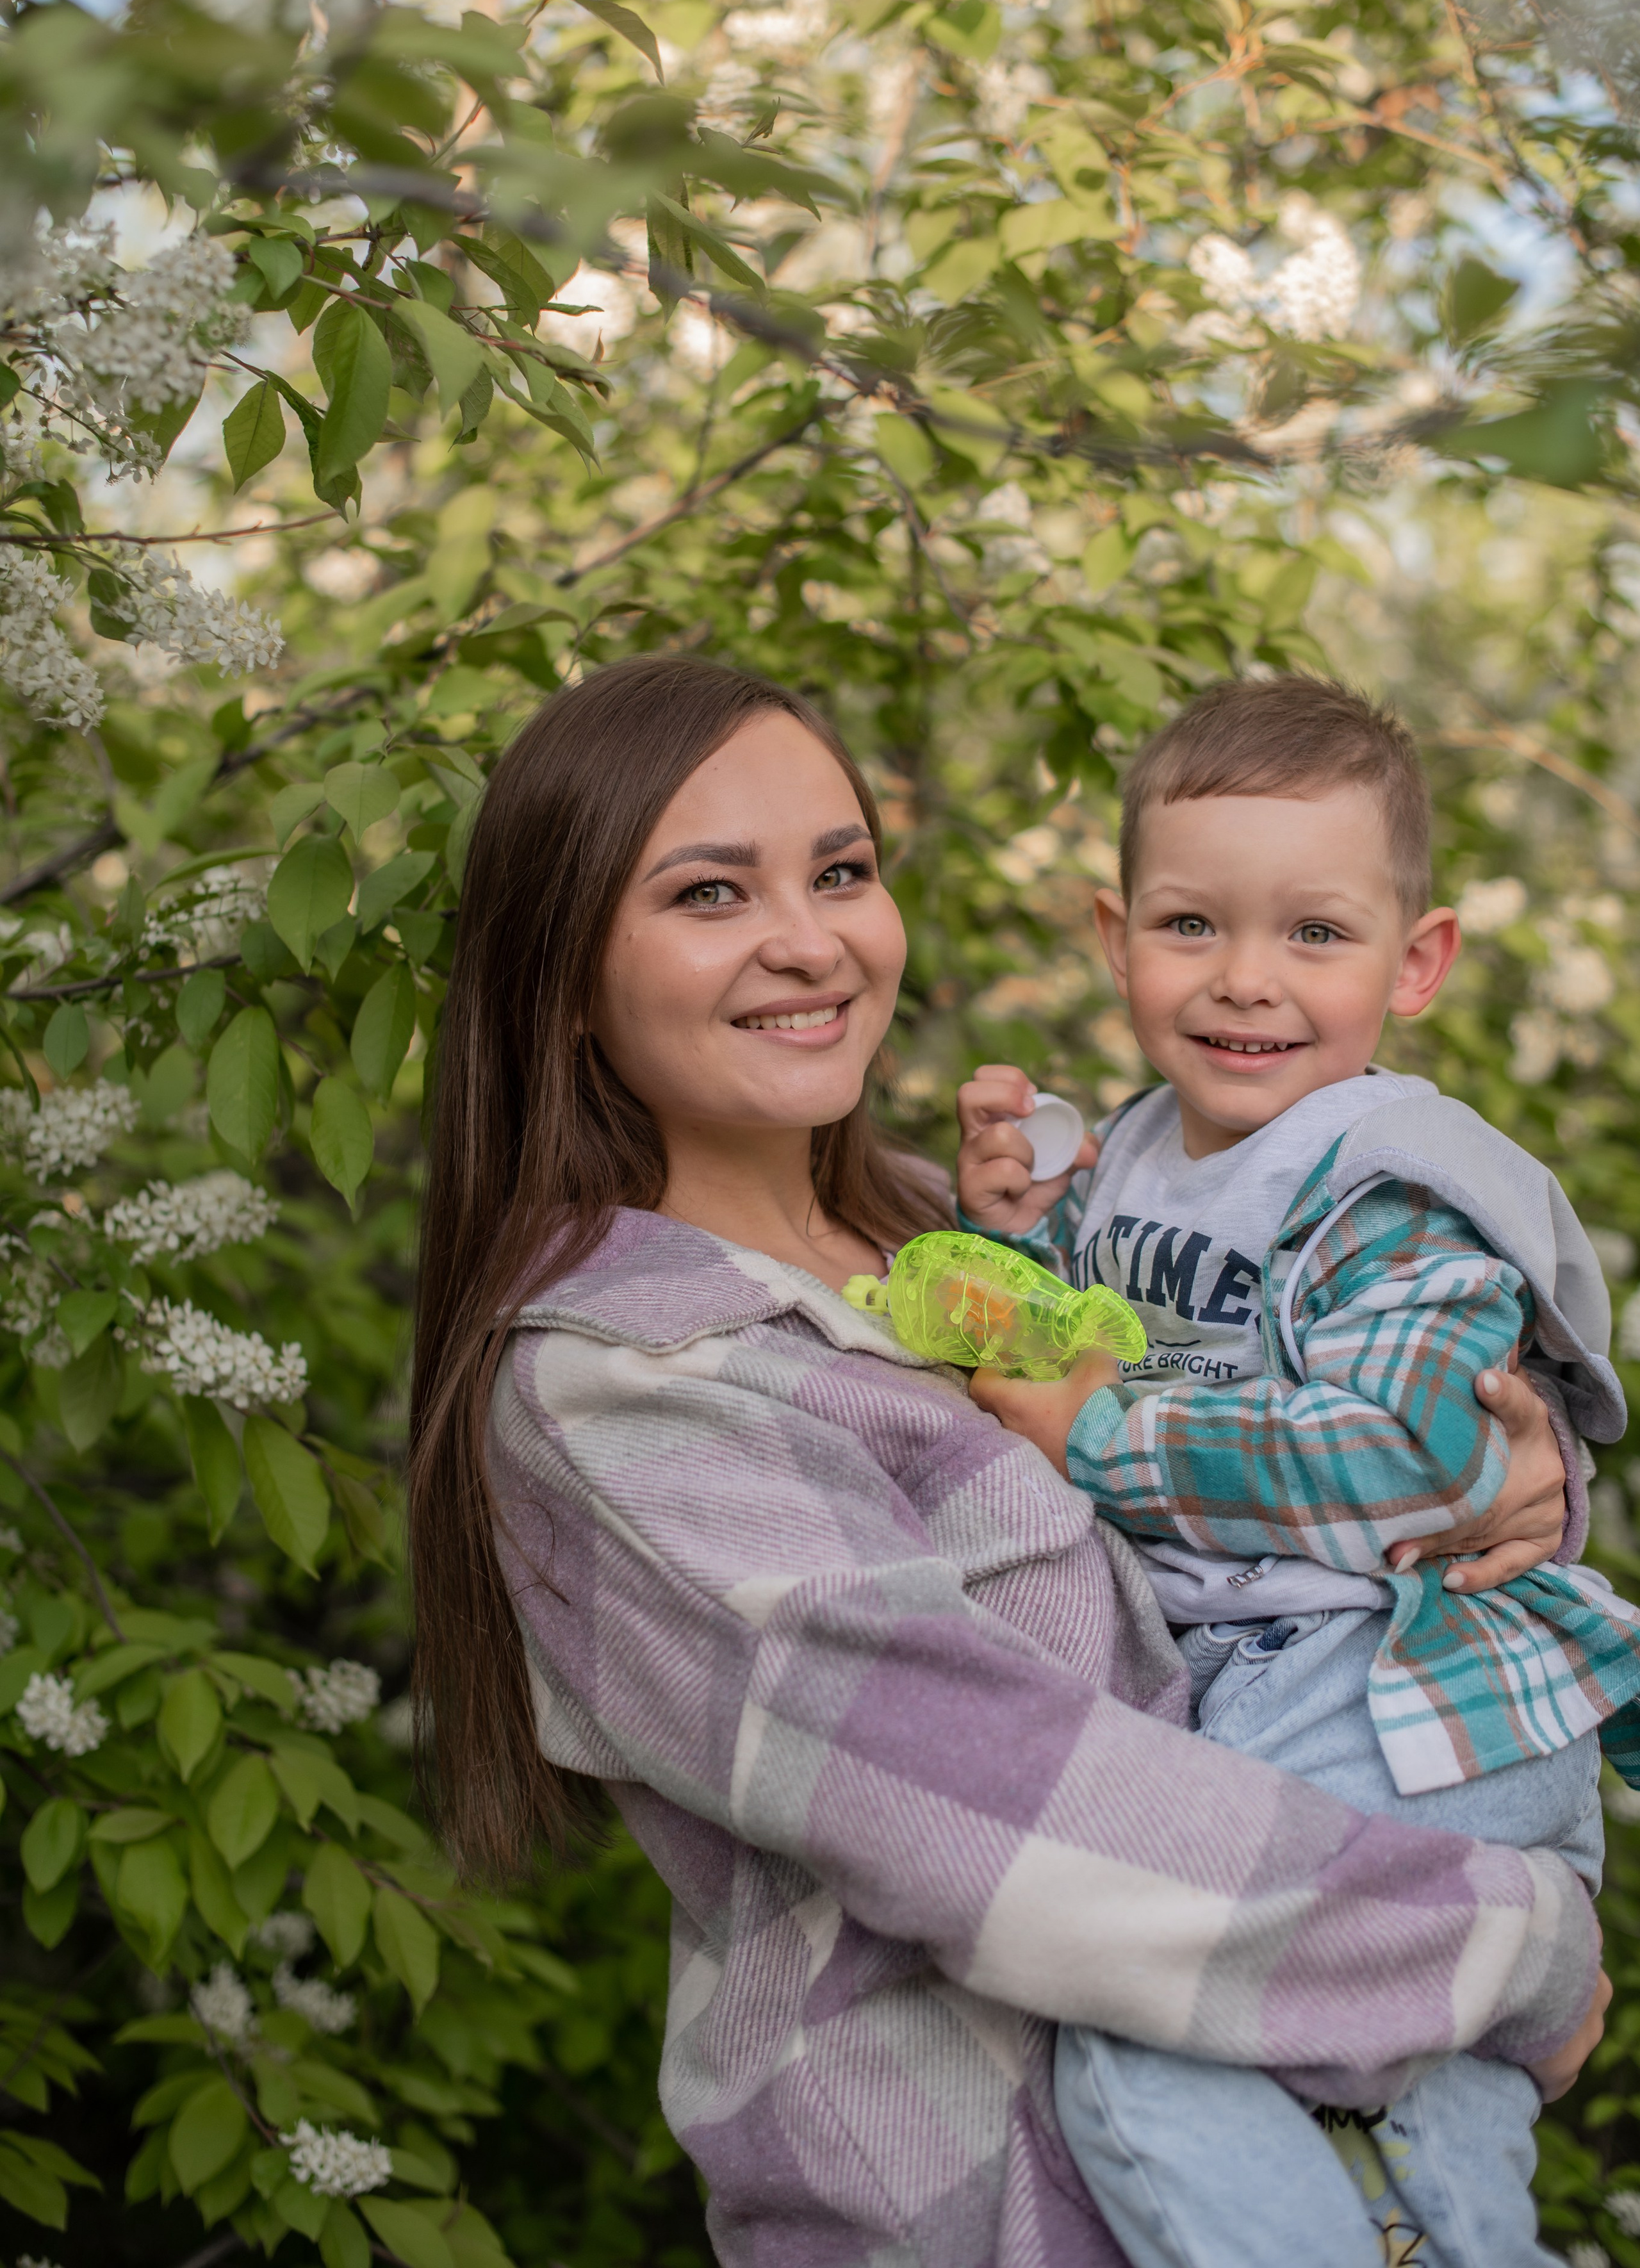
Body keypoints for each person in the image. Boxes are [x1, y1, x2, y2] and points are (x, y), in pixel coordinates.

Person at [407, 653, 1607, 2268]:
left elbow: (1291, 1415)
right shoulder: (628, 1391)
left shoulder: (950, 1238)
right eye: (710, 892)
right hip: (986, 2216)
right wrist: (1506, 1950)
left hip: (1299, 2150)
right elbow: (1019, 1827)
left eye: (839, 871)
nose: (808, 938)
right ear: (562, 974)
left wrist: (1496, 1483)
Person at [955, 675, 1637, 2268]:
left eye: (1312, 936)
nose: (1245, 982)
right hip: (1303, 1686)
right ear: (1113, 937)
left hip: (1389, 1686)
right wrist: (1002, 1229)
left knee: (1135, 2028)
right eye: (1192, 927)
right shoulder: (1139, 1149)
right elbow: (1059, 1330)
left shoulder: (1389, 1183)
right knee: (1422, 2123)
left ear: (1415, 964)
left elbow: (1417, 1449)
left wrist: (1096, 1442)